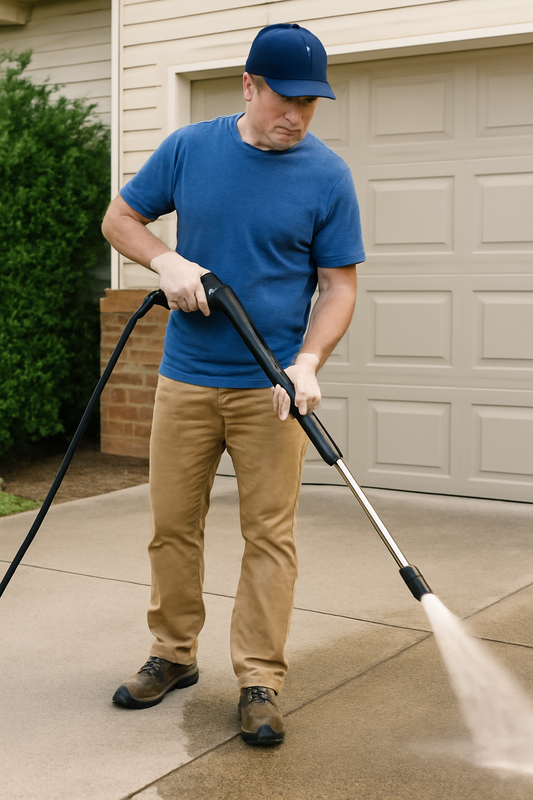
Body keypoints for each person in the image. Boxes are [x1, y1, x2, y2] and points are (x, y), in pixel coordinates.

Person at [101, 22, 365, 746]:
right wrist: (165, 261)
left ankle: (258, 679)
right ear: (248, 86)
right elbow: (120, 218)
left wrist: (308, 361)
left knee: (268, 537)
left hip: (270, 388)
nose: (297, 117)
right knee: (172, 528)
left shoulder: (327, 175)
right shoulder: (190, 148)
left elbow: (337, 287)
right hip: (185, 379)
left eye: (310, 104)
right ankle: (172, 655)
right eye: (285, 99)